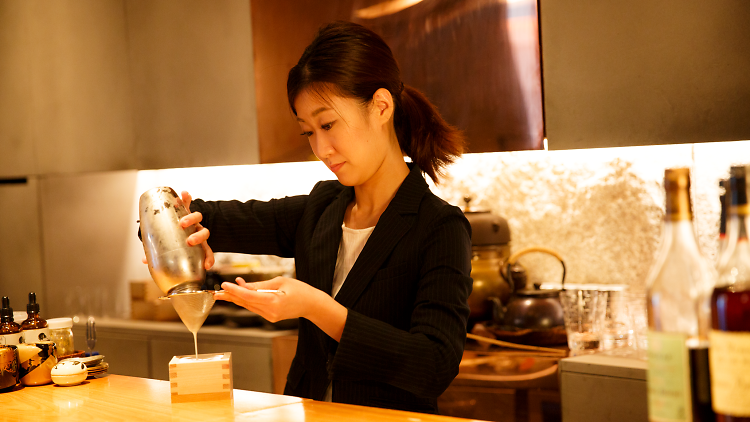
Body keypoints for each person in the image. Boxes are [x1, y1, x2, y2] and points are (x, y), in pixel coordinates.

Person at [176, 21, 472, 414]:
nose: (321, 148)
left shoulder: (438, 227)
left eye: (328, 124)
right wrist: (172, 231)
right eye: (308, 132)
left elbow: (433, 365)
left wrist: (315, 306)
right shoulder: (322, 208)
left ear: (381, 106)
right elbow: (208, 217)